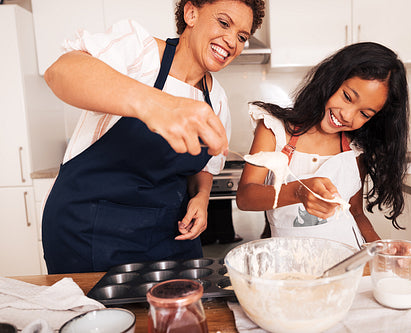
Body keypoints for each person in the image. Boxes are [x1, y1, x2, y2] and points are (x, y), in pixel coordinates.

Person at [41, 0, 265, 274]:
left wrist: (201, 198)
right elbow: (60, 72)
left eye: (242, 37)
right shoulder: (140, 51)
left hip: (168, 236)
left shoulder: (216, 99)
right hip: (89, 232)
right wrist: (157, 105)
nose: (232, 41)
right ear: (191, 13)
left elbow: (206, 165)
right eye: (223, 23)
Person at [236, 42, 409, 249]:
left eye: (364, 114)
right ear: (333, 79)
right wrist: (298, 191)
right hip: (288, 265)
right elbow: (245, 197)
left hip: (347, 263)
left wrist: (384, 250)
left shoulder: (354, 149)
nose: (347, 115)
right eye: (347, 97)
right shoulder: (275, 131)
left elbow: (355, 212)